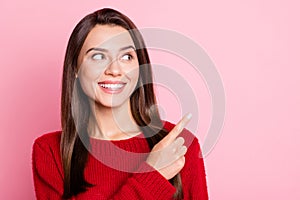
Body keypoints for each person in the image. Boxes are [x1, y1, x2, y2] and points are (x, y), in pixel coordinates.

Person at [32, 8, 208, 200]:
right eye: (98, 56)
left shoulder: (178, 145)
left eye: (126, 57)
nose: (115, 70)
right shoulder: (50, 152)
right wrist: (152, 177)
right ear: (76, 69)